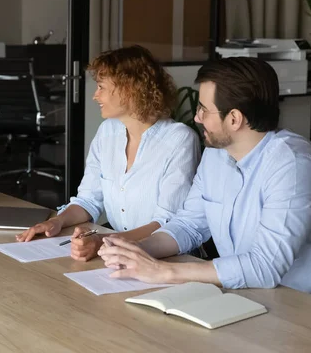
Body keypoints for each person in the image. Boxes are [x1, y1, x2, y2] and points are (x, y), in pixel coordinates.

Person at [98, 57, 311, 294]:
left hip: (294, 303)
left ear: (234, 118)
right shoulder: (216, 154)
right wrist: (137, 250)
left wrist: (163, 271)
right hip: (241, 294)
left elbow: (265, 266)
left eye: (204, 110)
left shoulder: (291, 163)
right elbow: (189, 225)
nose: (197, 117)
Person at [16, 45, 201, 261]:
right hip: (115, 253)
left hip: (165, 257)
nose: (95, 96)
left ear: (129, 88)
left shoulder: (179, 139)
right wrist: (56, 222)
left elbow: (166, 222)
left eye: (101, 87)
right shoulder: (107, 132)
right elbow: (88, 200)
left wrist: (106, 241)